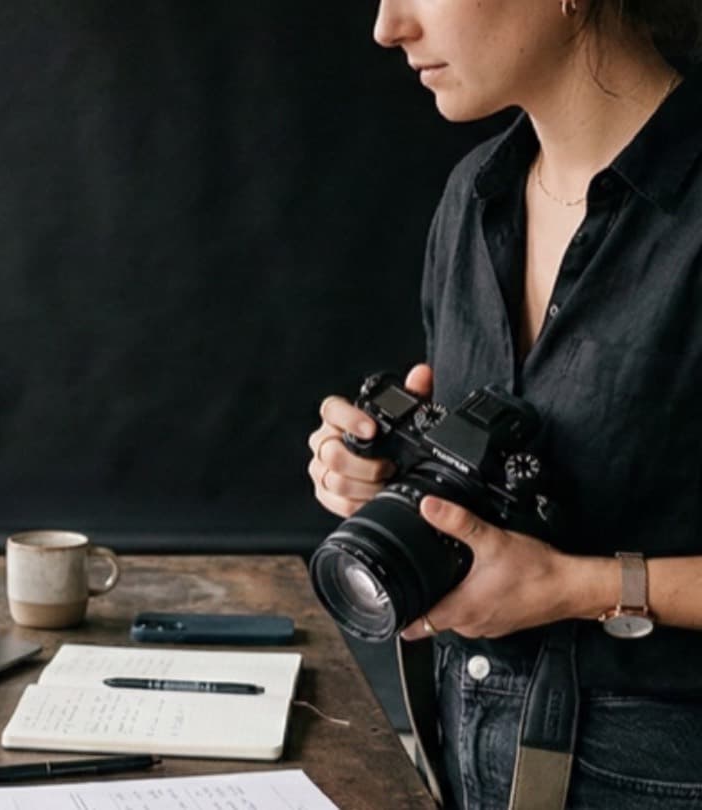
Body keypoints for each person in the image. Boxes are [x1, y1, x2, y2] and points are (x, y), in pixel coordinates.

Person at [307, 1, 702, 807]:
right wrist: (385, 481)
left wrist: (581, 586)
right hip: (466, 756)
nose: (388, 26)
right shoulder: (474, 196)